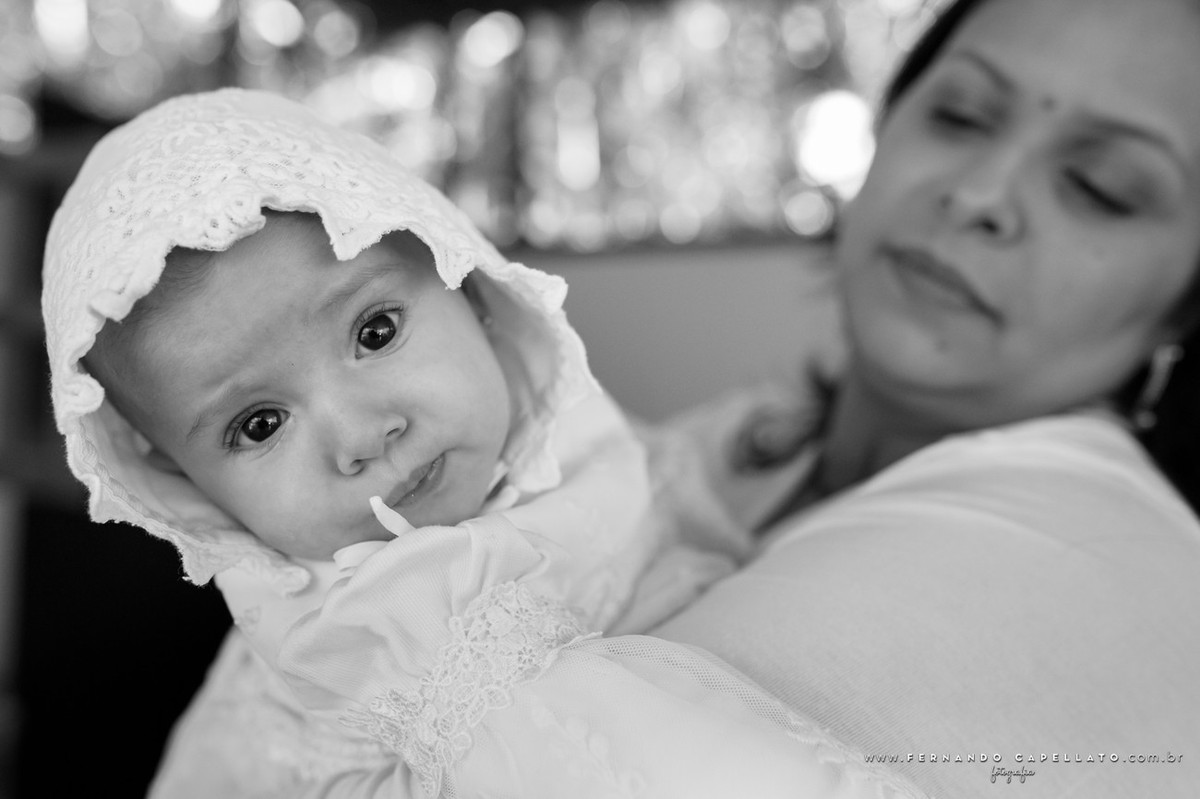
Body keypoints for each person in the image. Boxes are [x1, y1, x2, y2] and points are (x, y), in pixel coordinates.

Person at [42, 88, 925, 797]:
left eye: (376, 330)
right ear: (187, 490)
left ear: (466, 284)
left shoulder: (591, 440)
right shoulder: (383, 624)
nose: (361, 434)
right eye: (258, 424)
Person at [653, 0, 1200, 794]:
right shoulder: (731, 439)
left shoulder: (1083, 576)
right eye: (961, 114)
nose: (980, 194)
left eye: (1100, 187)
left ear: (1183, 306)